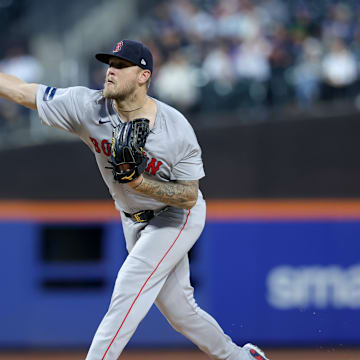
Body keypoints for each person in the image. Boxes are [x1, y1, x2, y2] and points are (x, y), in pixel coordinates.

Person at [0, 39, 269, 360]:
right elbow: (20, 91)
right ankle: (240, 357)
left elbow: (188, 195)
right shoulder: (87, 106)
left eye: (120, 66)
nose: (110, 72)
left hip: (176, 216)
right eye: (109, 65)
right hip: (132, 219)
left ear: (143, 76)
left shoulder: (175, 129)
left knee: (129, 286)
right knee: (181, 314)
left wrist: (140, 182)